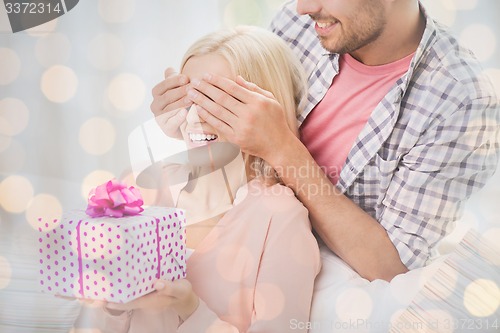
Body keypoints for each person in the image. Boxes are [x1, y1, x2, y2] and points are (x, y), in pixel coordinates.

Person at [150, 0, 500, 282]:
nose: (302, 7)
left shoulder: (462, 101)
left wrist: (282, 148)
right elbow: (241, 157)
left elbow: (392, 267)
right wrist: (193, 122)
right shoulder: (305, 21)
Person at [99, 26, 321, 332]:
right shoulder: (148, 187)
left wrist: (188, 307)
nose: (196, 117)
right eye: (189, 98)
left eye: (217, 100)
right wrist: (108, 301)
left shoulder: (279, 217)